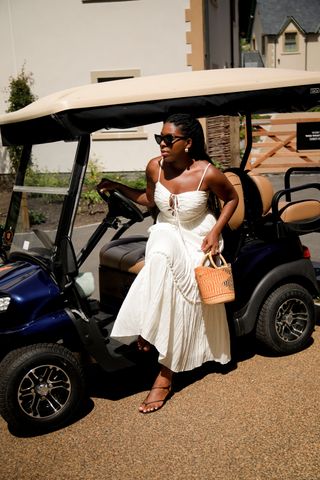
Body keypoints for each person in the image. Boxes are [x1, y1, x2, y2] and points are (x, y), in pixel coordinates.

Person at [97, 113, 238, 414]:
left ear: (187, 143)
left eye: (169, 139)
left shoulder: (207, 173)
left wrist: (215, 231)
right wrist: (118, 186)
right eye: (159, 138)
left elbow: (231, 199)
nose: (162, 143)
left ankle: (164, 375)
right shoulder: (154, 167)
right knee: (159, 248)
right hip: (167, 233)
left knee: (168, 263)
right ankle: (148, 330)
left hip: (198, 237)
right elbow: (149, 200)